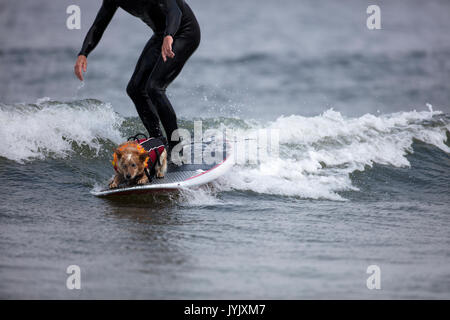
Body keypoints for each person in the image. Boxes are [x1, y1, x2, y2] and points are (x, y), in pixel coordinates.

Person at [74, 0, 200, 153]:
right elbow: (99, 24)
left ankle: (176, 149)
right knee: (135, 89)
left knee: (155, 88)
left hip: (184, 32)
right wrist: (83, 53)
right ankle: (159, 143)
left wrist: (169, 35)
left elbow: (175, 11)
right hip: (161, 35)